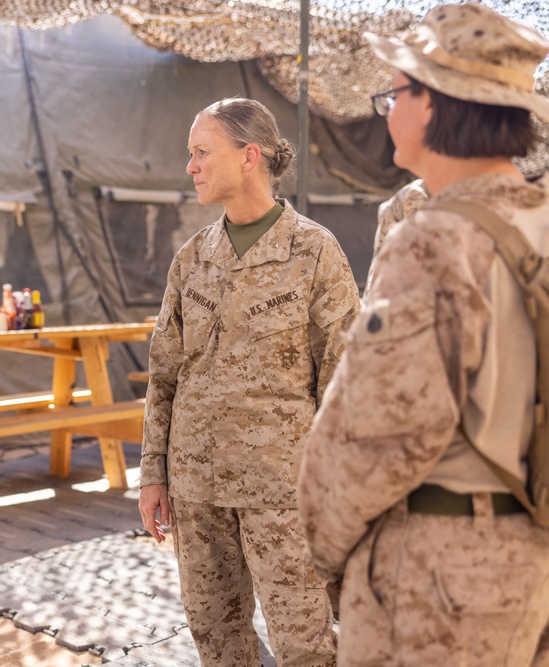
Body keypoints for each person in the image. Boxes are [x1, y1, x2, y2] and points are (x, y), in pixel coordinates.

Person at [298, 4, 549, 666]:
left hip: (438, 589)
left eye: (395, 91)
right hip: (544, 565)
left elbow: (371, 441)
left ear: (436, 103)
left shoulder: (434, 240)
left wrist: (324, 556)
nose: (386, 109)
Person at [138, 96, 360, 666]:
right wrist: (153, 475)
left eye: (201, 152)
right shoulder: (192, 259)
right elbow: (164, 375)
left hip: (282, 494)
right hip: (196, 491)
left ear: (249, 157)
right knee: (216, 642)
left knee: (304, 645)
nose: (190, 166)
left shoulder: (314, 253)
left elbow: (346, 382)